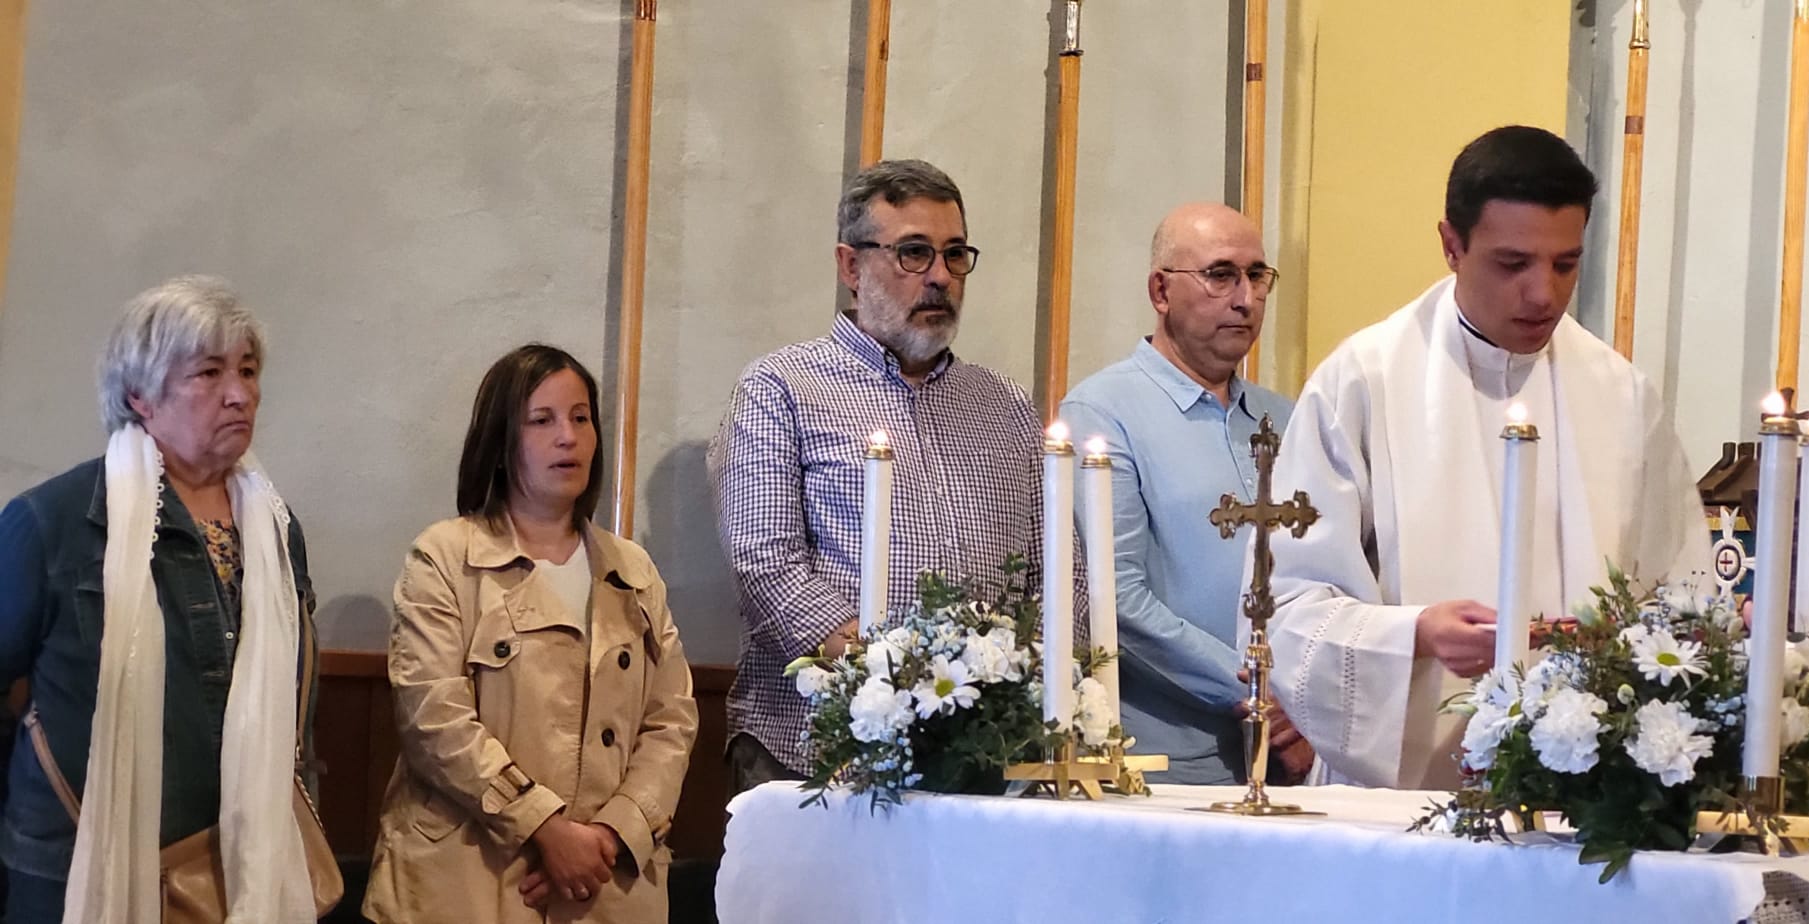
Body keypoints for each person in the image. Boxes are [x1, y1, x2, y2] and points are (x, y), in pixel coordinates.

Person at [1261, 126, 1711, 789]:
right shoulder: (1361, 382)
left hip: (1581, 799)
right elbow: (1290, 604)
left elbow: (1676, 589)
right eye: (1512, 264)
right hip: (1407, 797)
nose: (1544, 295)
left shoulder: (1620, 394)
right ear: (1451, 244)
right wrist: (1415, 633)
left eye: (1566, 264)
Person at [710, 158, 1085, 792]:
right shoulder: (783, 388)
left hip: (986, 755)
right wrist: (900, 680)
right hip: (823, 752)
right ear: (851, 267)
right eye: (913, 253)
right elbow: (766, 565)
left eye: (954, 254)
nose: (939, 276)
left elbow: (1062, 572)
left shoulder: (1006, 406)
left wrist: (1024, 691)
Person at [0, 276, 320, 921]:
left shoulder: (276, 528)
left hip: (240, 869)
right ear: (139, 395)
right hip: (73, 871)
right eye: (208, 372)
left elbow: (297, 706)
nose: (240, 394)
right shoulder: (52, 522)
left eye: (248, 371)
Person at [363, 345, 697, 922]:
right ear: (500, 443)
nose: (568, 436)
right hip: (472, 880)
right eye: (542, 421)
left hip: (603, 884)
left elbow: (671, 720)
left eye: (581, 417)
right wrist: (546, 828)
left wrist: (610, 838)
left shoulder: (632, 570)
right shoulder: (445, 558)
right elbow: (433, 719)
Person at [1059, 202, 1311, 784]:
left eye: (1257, 276)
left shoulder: (1286, 417)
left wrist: (1308, 703)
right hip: (1169, 763)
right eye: (1221, 275)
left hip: (1294, 753)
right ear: (1160, 290)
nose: (1246, 299)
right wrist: (1253, 691)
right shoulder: (1102, 414)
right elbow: (1114, 597)